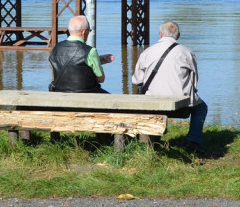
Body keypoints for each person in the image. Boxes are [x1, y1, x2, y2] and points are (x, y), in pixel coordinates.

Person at [131, 20, 208, 154]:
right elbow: (194, 82)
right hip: (180, 105)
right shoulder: (187, 53)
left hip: (152, 103)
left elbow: (136, 80)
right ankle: (193, 142)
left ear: (160, 34)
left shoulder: (147, 52)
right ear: (178, 35)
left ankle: (152, 140)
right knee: (201, 108)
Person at [49, 15, 115, 93]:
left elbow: (70, 66)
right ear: (83, 32)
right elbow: (101, 79)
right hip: (86, 93)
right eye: (89, 30)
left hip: (59, 91)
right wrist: (97, 64)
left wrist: (98, 59)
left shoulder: (56, 48)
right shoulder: (90, 51)